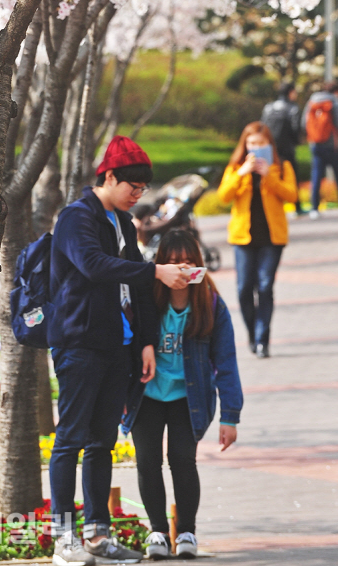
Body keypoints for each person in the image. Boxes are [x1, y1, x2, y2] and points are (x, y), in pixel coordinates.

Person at [48, 136, 191, 566]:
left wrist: (146, 340)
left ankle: (97, 535)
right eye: (132, 186)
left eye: (143, 188)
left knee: (101, 442)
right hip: (79, 343)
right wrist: (156, 270)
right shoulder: (76, 218)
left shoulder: (124, 223)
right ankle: (63, 538)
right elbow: (95, 266)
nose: (138, 194)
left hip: (118, 345)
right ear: (108, 177)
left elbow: (135, 286)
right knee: (70, 440)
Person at [122, 228, 243, 561]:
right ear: (161, 266)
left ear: (199, 265)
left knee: (183, 462)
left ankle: (186, 531)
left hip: (188, 400)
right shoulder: (145, 301)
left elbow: (226, 362)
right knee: (147, 462)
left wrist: (231, 416)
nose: (181, 270)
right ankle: (158, 532)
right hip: (145, 396)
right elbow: (125, 349)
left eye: (188, 262)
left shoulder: (211, 306)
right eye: (173, 263)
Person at [218, 122, 297, 357]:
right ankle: (252, 333)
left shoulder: (281, 166)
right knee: (243, 289)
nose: (255, 148)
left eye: (261, 144)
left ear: (269, 144)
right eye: (251, 144)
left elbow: (291, 195)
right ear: (245, 145)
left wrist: (268, 176)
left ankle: (263, 340)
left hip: (272, 238)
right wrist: (242, 173)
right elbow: (223, 196)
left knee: (264, 286)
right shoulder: (235, 167)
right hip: (243, 237)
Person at [261, 82, 303, 215]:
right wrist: (297, 142)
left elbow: (262, 126)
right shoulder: (293, 108)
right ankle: (297, 206)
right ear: (290, 92)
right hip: (287, 149)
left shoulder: (269, 107)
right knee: (292, 176)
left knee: (267, 174)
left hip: (270, 149)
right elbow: (296, 129)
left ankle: (266, 207)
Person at [301, 81, 338, 218]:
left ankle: (314, 208)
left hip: (315, 145)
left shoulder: (312, 102)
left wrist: (312, 135)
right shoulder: (333, 102)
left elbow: (303, 123)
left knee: (316, 176)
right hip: (332, 146)